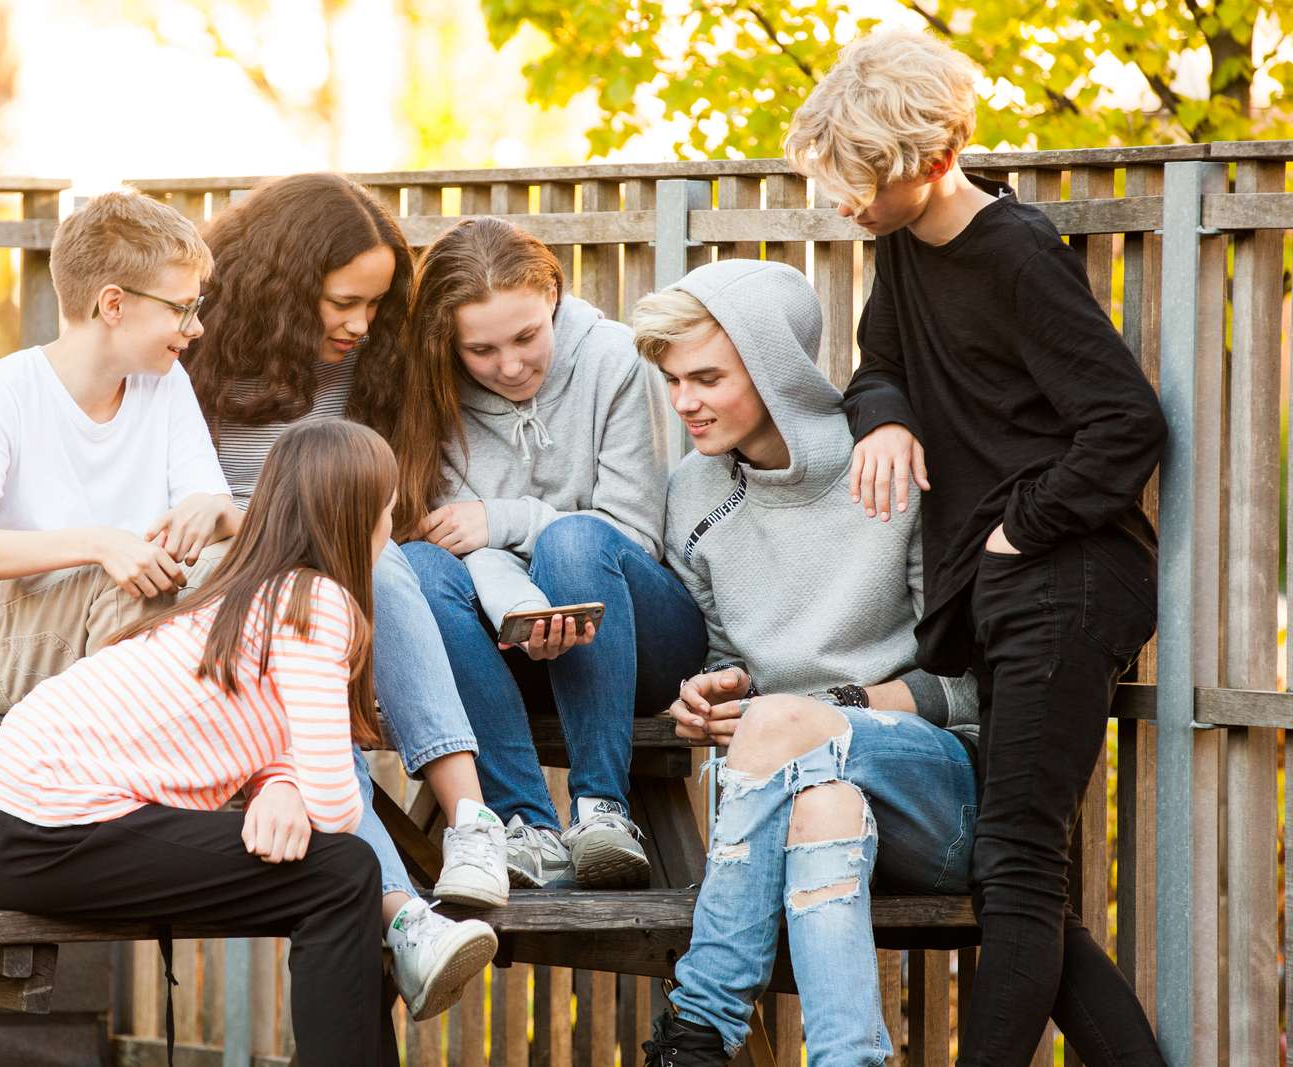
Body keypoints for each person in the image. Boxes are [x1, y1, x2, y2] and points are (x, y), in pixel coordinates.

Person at [787, 30, 1167, 1066]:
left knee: (1016, 861)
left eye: (853, 181)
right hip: (1007, 590)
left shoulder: (1014, 255)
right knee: (1015, 871)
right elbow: (877, 365)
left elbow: (1125, 424)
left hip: (1068, 581)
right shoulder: (903, 250)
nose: (840, 202)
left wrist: (1017, 527)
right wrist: (887, 420)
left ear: (921, 159)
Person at [0, 420, 408, 1067]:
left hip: (4, 823)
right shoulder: (317, 601)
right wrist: (301, 794)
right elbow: (336, 808)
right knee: (344, 873)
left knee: (341, 876)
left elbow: (265, 724)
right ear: (360, 519)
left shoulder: (245, 597)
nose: (394, 524)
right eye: (390, 509)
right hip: (41, 826)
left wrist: (279, 783)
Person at [622, 259, 978, 1067]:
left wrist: (827, 709)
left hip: (934, 790)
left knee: (791, 725)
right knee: (824, 804)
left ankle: (699, 1026)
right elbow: (726, 658)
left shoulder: (890, 463)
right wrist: (715, 694)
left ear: (776, 367)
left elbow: (971, 683)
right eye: (674, 379)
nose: (684, 401)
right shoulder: (692, 491)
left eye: (707, 376)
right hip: (790, 800)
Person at [187, 173, 504, 1018]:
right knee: (319, 685)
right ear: (286, 283)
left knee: (384, 566)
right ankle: (405, 909)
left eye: (375, 302)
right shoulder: (196, 344)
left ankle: (469, 823)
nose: (361, 324)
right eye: (342, 302)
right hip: (231, 597)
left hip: (342, 605)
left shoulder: (373, 357)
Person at [395, 217, 706, 890]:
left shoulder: (615, 359)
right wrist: (524, 609)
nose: (509, 365)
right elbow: (456, 547)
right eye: (480, 349)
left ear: (555, 300)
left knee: (573, 539)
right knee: (418, 568)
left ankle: (602, 810)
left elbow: (632, 534)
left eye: (527, 336)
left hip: (633, 633)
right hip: (509, 639)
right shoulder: (430, 391)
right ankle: (526, 825)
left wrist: (506, 518)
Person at [0, 190, 240, 716]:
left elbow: (225, 531)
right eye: (182, 308)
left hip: (127, 619)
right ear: (114, 304)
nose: (197, 327)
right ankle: (143, 778)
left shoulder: (166, 387)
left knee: (253, 560)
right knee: (131, 581)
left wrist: (214, 510)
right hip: (1, 638)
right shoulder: (0, 392)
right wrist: (102, 544)